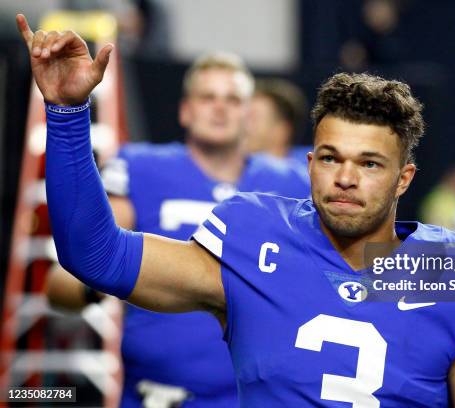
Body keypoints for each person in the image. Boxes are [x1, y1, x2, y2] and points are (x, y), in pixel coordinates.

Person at [18, 14, 455, 406]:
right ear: (309, 164)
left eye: (369, 163)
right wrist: (66, 115)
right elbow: (96, 258)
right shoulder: (253, 238)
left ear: (404, 179)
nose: (345, 177)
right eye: (331, 158)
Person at [45, 51, 310, 407]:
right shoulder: (139, 166)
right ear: (185, 110)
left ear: (249, 115)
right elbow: (81, 265)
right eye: (208, 97)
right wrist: (98, 283)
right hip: (158, 395)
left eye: (232, 99)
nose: (220, 108)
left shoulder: (290, 181)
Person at [245, 78, 310, 162]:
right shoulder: (229, 170)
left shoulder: (310, 171)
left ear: (281, 130)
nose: (242, 126)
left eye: (252, 118)